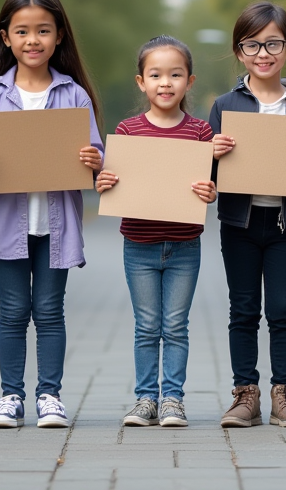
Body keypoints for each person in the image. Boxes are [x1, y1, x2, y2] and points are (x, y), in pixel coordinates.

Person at [0, 0, 104, 429]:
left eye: (43, 30)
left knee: (49, 311)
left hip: (57, 224)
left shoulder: (74, 95)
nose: (33, 40)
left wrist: (94, 160)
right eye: (22, 31)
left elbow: (97, 157)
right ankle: (10, 396)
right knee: (12, 311)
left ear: (59, 36)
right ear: (5, 37)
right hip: (7, 222)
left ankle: (50, 396)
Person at [210, 0, 286, 429]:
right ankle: (246, 393)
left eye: (273, 43)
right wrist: (211, 154)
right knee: (243, 309)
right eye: (252, 44)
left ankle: (285, 394)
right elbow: (207, 176)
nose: (263, 53)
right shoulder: (225, 105)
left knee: (282, 309)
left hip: (285, 224)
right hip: (239, 224)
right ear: (239, 51)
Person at [95, 36, 217, 428]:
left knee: (176, 326)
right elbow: (115, 181)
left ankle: (173, 400)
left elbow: (208, 184)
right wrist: (105, 182)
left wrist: (210, 191)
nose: (165, 83)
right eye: (156, 75)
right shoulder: (128, 131)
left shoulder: (200, 133)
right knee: (147, 326)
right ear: (141, 82)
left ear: (189, 81)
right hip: (139, 244)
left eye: (175, 75)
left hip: (184, 246)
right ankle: (146, 398)